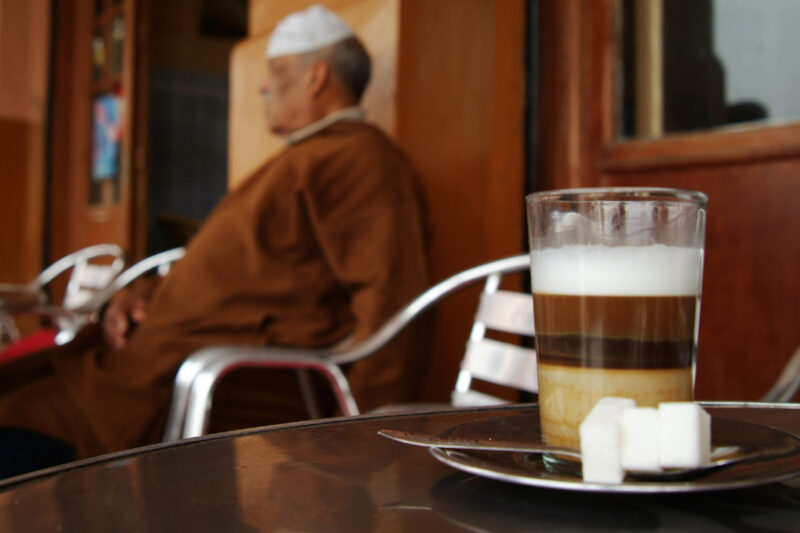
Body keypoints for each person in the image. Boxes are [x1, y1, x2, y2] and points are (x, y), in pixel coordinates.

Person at [0, 4, 430, 478]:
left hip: (162, 389)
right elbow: (218, 266)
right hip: (131, 365)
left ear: (317, 77)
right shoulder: (306, 157)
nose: (263, 86)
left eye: (276, 71)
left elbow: (391, 297)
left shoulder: (359, 158)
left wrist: (361, 441)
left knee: (21, 422)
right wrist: (136, 297)